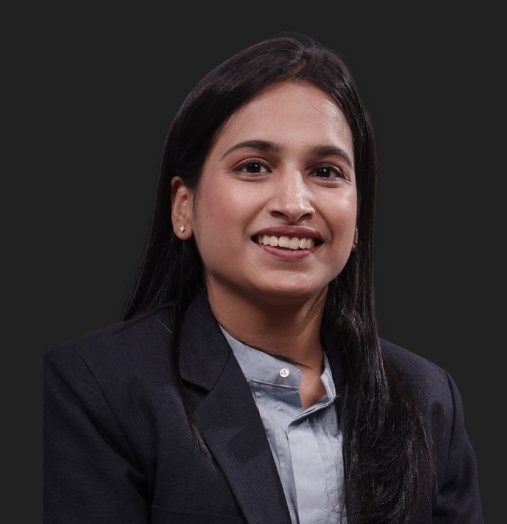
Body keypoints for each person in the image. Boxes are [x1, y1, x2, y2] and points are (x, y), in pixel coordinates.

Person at [43, 33, 484, 523]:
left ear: (358, 217)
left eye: (326, 171)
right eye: (254, 167)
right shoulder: (98, 389)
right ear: (183, 206)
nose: (294, 204)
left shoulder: (427, 399)